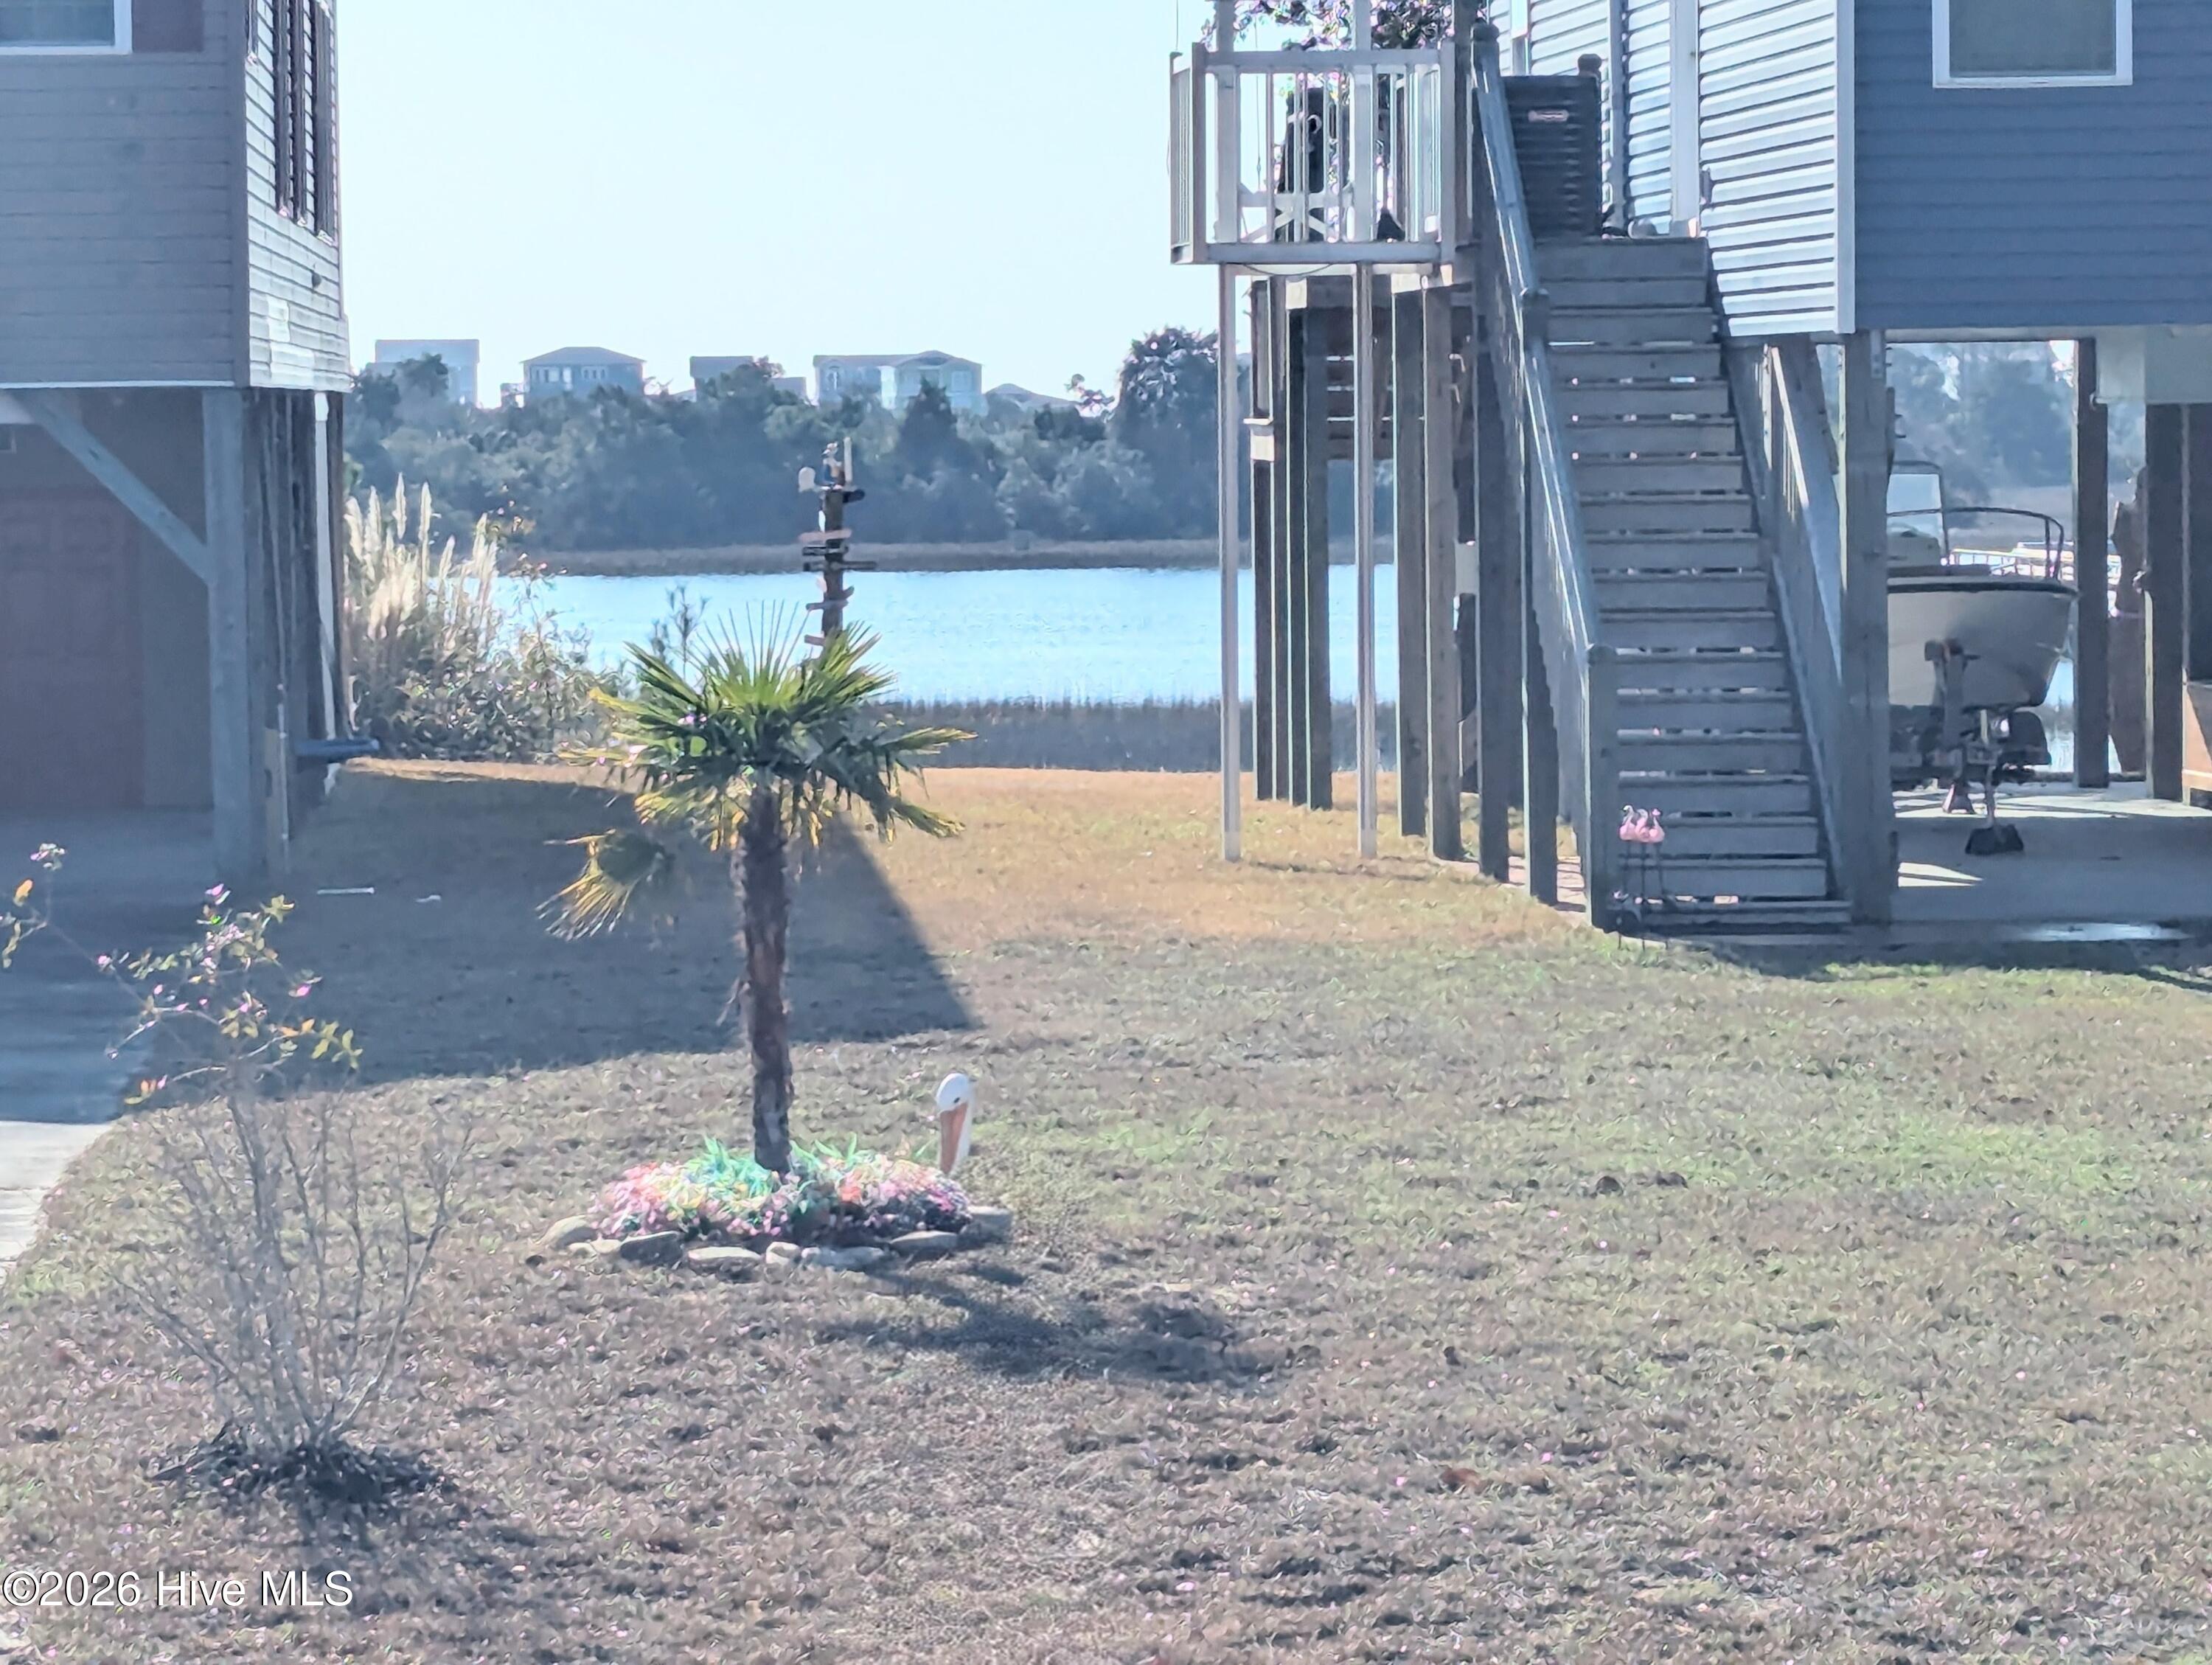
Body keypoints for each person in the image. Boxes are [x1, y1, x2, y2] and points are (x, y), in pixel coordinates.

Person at [2110, 467, 2148, 776]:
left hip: (2138, 614)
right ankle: (2132, 766)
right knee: (2123, 703)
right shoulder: (2126, 516)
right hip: (2129, 614)